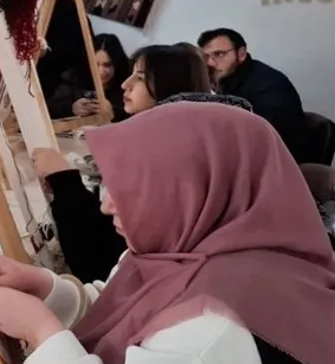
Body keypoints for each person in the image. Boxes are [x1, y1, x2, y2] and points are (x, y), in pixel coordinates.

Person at [0, 103, 335, 364]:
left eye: (132, 185)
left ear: (194, 190)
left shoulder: (215, 324)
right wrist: (44, 288)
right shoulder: (202, 252)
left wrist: (42, 331)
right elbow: (131, 311)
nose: (105, 204)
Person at [33, 42, 249, 282]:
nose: (125, 84)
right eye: (131, 74)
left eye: (140, 77)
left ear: (169, 85)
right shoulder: (174, 144)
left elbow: (101, 261)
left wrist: (65, 182)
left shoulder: (168, 159)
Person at [197, 27, 308, 160]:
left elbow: (266, 141)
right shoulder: (227, 80)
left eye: (219, 54)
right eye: (206, 57)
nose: (210, 63)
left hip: (277, 161)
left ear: (241, 54)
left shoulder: (270, 86)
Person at [47, 33, 131, 123]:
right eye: (95, 64)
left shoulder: (129, 85)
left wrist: (114, 112)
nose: (101, 72)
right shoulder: (74, 78)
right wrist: (71, 108)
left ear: (117, 64)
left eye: (107, 65)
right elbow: (49, 108)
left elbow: (137, 118)